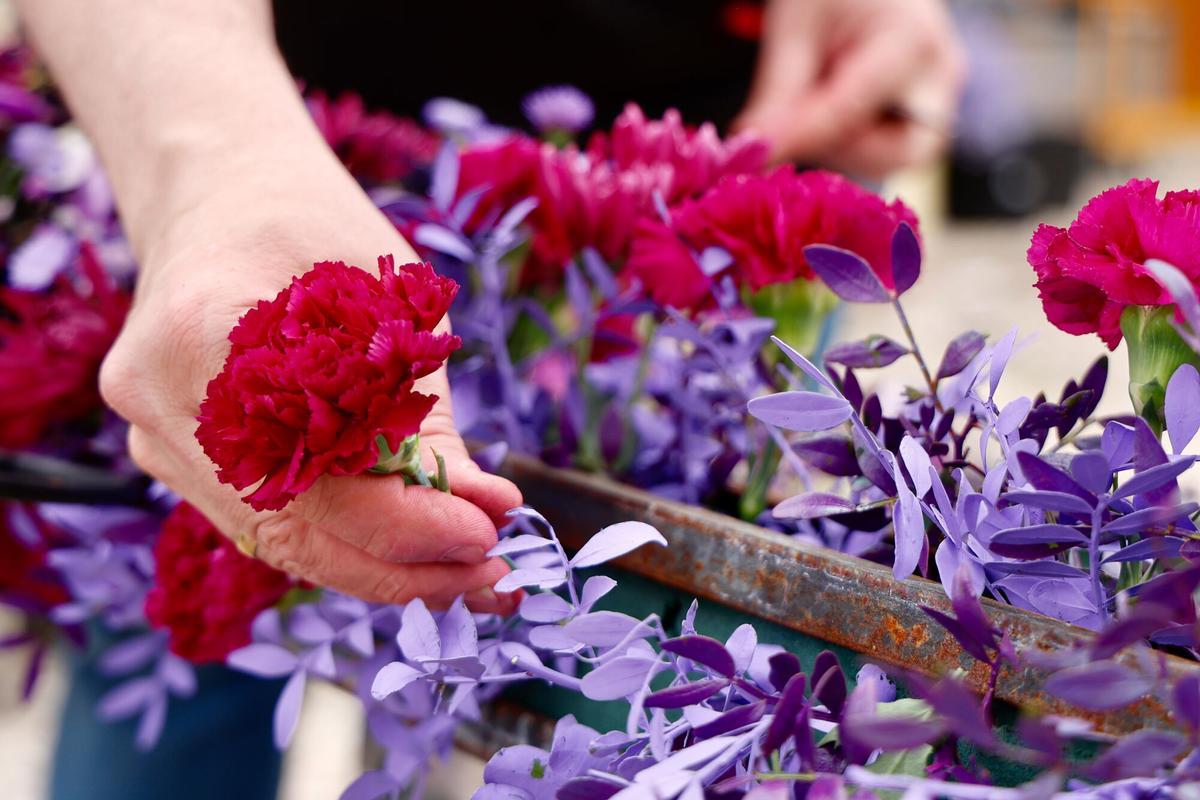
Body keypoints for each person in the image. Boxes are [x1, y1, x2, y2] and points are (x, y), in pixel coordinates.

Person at [15, 1, 964, 798]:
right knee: (190, 674)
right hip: (262, 151)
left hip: (702, 203)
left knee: (606, 698)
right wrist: (203, 159)